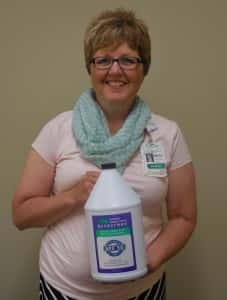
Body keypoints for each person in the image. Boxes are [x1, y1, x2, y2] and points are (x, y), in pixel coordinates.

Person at [12, 8, 197, 300]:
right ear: (90, 68)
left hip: (142, 290)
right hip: (63, 290)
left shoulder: (167, 134)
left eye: (128, 60)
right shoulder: (59, 129)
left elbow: (183, 217)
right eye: (103, 60)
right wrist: (72, 196)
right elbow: (21, 214)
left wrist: (150, 260)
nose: (115, 70)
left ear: (143, 69)